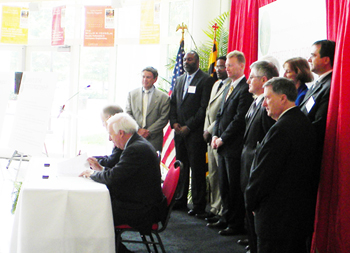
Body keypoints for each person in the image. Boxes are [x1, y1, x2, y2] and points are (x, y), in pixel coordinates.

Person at [245, 77, 318, 253]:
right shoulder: (301, 121)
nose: (263, 104)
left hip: (277, 221)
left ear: (283, 98)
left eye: (267, 98)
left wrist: (252, 203)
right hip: (295, 219)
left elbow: (264, 175)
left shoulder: (282, 129)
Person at [80, 113, 166, 253]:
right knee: (96, 209)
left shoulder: (135, 149)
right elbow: (120, 174)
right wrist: (100, 169)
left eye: (110, 134)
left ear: (121, 133)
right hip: (141, 201)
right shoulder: (136, 144)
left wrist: (92, 173)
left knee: (93, 214)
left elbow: (114, 178)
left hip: (142, 209)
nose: (109, 139)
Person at [208, 50, 253, 236]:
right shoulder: (228, 86)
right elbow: (220, 114)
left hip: (233, 145)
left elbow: (238, 119)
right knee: (224, 184)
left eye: (230, 65)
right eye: (226, 65)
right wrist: (214, 135)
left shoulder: (244, 88)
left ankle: (235, 224)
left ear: (242, 66)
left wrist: (222, 138)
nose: (226, 68)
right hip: (221, 144)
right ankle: (225, 217)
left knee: (234, 187)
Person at [169, 50, 215, 216]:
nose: (186, 62)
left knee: (197, 170)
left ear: (197, 61)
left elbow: (204, 108)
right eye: (184, 59)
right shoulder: (180, 79)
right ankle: (180, 200)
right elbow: (173, 103)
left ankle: (198, 205)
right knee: (181, 168)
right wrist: (174, 122)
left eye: (189, 59)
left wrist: (188, 126)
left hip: (194, 133)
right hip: (179, 132)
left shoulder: (206, 80)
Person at [240, 61, 278, 252]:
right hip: (247, 162)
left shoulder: (267, 107)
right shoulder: (256, 102)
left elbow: (265, 142)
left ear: (264, 80)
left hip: (255, 165)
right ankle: (252, 242)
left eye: (252, 77)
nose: (248, 80)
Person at [300, 40, 335, 171]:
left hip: (313, 154)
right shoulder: (318, 83)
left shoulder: (330, 85)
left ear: (326, 60)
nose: (309, 59)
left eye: (313, 55)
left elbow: (320, 123)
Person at [203, 56, 229, 221]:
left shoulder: (230, 87)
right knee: (212, 173)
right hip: (210, 136)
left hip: (218, 135)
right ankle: (214, 207)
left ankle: (221, 209)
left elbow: (223, 114)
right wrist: (206, 129)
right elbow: (209, 109)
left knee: (220, 175)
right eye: (217, 66)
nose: (218, 69)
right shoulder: (215, 84)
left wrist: (211, 130)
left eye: (222, 67)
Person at [126, 66, 170, 152]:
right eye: (143, 77)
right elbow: (128, 113)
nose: (145, 80)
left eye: (148, 77)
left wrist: (148, 132)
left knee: (151, 164)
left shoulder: (163, 97)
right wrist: (138, 129)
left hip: (154, 138)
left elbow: (164, 118)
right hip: (135, 136)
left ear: (155, 79)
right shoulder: (132, 94)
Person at [88, 104, 123, 169]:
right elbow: (112, 157)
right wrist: (92, 158)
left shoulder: (120, 136)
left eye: (103, 121)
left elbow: (111, 162)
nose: (103, 125)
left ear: (109, 118)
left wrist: (92, 162)